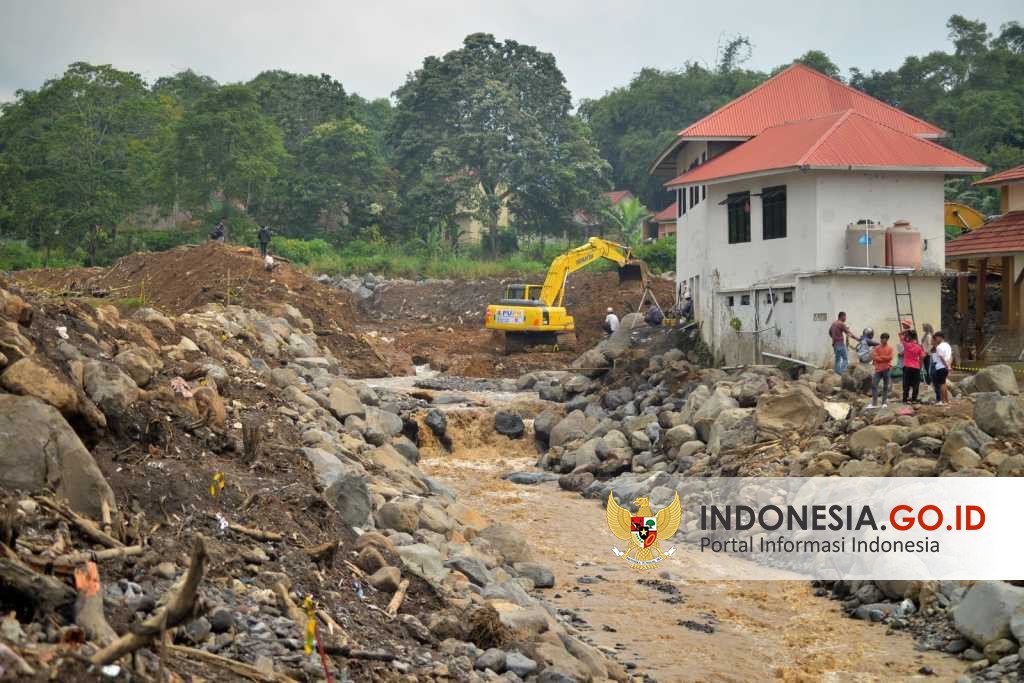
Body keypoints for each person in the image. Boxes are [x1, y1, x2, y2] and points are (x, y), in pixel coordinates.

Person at [868, 332, 894, 408]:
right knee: (874, 384)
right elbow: (875, 358)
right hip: (878, 369)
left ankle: (884, 402)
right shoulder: (877, 348)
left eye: (885, 339)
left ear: (887, 340)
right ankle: (874, 402)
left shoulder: (890, 348)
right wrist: (884, 358)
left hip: (886, 368)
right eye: (882, 339)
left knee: (885, 386)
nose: (883, 340)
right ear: (880, 339)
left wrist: (881, 357)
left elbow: (890, 357)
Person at [902, 330, 925, 404]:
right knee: (916, 384)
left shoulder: (906, 344)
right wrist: (920, 367)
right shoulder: (919, 347)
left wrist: (906, 333)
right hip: (916, 367)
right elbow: (922, 357)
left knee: (906, 383)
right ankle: (914, 399)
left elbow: (901, 335)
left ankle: (905, 399)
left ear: (909, 337)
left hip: (907, 366)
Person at [931, 330, 953, 405]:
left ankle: (943, 400)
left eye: (936, 337)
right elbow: (950, 356)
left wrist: (946, 365)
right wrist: (949, 366)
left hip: (940, 367)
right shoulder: (948, 345)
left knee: (942, 384)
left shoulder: (939, 347)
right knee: (944, 383)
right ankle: (947, 400)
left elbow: (941, 357)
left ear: (940, 337)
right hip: (946, 367)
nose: (936, 339)